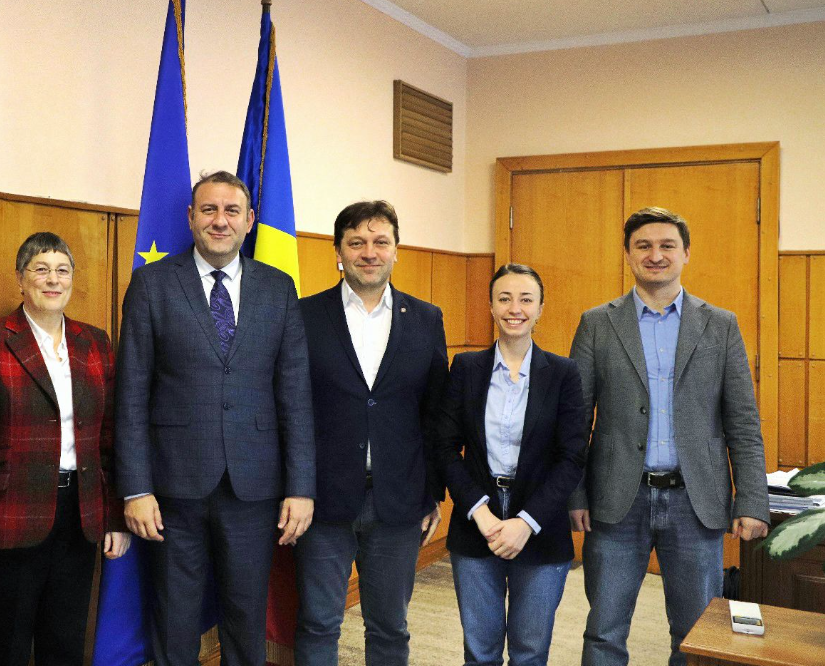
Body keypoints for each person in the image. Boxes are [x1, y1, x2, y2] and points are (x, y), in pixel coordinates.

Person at [115, 171, 315, 666]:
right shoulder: (152, 284)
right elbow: (132, 394)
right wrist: (135, 489)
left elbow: (294, 396)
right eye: (208, 210)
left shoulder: (278, 288)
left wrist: (301, 487)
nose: (219, 221)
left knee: (246, 625)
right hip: (172, 489)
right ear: (191, 218)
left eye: (231, 211)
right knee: (174, 624)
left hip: (255, 488)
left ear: (249, 220)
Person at [570, 207, 770, 666]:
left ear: (686, 254)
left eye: (667, 246)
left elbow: (743, 421)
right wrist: (575, 494)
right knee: (603, 630)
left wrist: (751, 499)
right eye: (643, 245)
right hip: (616, 502)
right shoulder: (597, 323)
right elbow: (576, 421)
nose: (655, 255)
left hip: (694, 503)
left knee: (695, 634)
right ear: (627, 254)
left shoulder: (720, 324)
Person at [0, 232, 130, 666]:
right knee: (5, 648)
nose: (53, 280)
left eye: (62, 271)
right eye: (41, 269)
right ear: (20, 279)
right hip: (11, 520)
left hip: (80, 517)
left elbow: (109, 438)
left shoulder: (95, 342)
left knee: (65, 646)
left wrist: (115, 517)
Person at [294, 200, 447, 665]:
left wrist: (432, 493)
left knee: (389, 626)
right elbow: (290, 409)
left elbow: (436, 414)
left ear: (396, 250)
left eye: (381, 242)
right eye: (356, 242)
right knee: (318, 623)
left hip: (397, 500)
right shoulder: (303, 315)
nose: (369, 252)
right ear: (338, 251)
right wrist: (294, 488)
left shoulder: (426, 318)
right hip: (321, 500)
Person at [437, 264, 586, 666]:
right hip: (476, 524)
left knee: (530, 652)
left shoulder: (563, 373)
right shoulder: (466, 368)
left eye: (525, 299)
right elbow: (445, 447)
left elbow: (572, 456)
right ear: (491, 306)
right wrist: (480, 513)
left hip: (541, 524)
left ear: (540, 308)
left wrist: (526, 522)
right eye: (504, 299)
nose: (514, 308)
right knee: (480, 652)